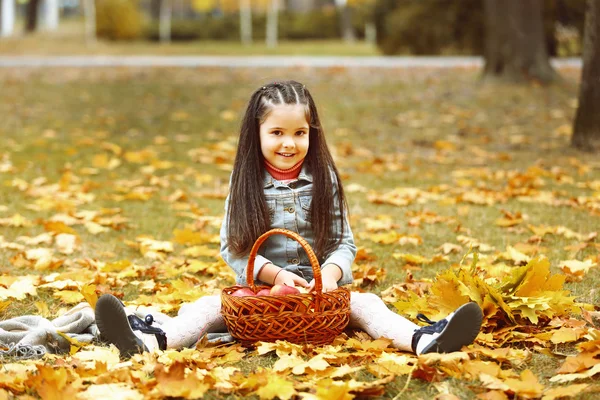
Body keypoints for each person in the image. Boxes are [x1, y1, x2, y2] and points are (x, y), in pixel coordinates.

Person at [95, 80, 483, 357]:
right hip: (261, 297)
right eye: (277, 131)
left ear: (312, 133)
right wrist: (276, 277)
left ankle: (425, 340)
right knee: (207, 309)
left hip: (319, 298)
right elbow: (233, 247)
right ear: (257, 132)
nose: (289, 143)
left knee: (367, 307)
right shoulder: (245, 180)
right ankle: (149, 340)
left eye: (300, 132)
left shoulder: (324, 177)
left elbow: (343, 243)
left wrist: (326, 279)